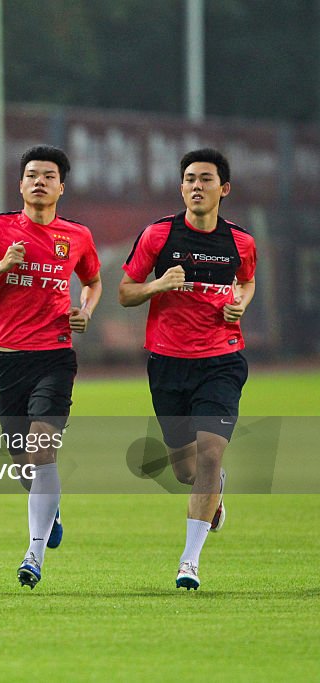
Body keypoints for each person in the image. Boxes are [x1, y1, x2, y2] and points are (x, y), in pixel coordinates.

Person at [0, 145, 102, 589]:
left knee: (41, 449)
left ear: (61, 186)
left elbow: (92, 281)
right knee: (23, 464)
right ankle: (50, 512)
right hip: (7, 361)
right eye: (31, 175)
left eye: (48, 175)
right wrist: (0, 266)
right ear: (20, 184)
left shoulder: (77, 236)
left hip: (55, 356)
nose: (39, 181)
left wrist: (86, 311)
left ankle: (33, 554)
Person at [119, 148, 256, 591]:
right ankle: (215, 488)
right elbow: (125, 293)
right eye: (190, 180)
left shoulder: (241, 242)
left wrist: (241, 304)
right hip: (168, 363)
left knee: (212, 453)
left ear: (224, 188)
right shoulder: (158, 236)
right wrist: (159, 284)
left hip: (221, 360)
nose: (197, 186)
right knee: (185, 470)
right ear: (181, 188)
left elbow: (247, 281)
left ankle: (189, 562)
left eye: (206, 179)